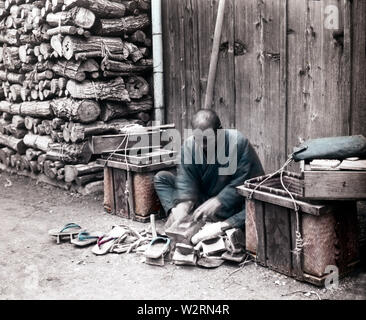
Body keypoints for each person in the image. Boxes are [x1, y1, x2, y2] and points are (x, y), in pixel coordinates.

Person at [154, 109, 264, 238]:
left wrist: (219, 200)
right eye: (198, 139)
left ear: (220, 131)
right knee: (162, 178)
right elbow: (186, 180)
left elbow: (246, 184)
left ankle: (220, 224)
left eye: (206, 140)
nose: (202, 145)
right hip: (205, 198)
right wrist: (184, 204)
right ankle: (185, 218)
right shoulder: (190, 145)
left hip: (233, 203)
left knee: (256, 210)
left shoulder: (238, 142)